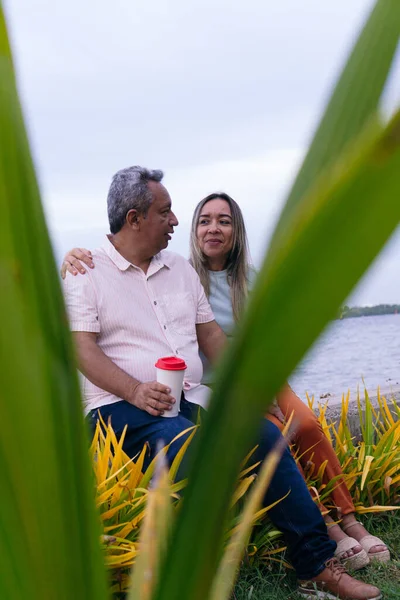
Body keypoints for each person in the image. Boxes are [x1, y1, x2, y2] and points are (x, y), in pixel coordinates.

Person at [61, 166, 381, 600]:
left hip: (190, 396)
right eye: (166, 212)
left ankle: (316, 566)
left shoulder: (178, 269)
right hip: (117, 407)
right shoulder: (85, 272)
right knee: (194, 450)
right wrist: (135, 389)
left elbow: (211, 334)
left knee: (266, 437)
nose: (176, 221)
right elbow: (82, 350)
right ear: (134, 218)